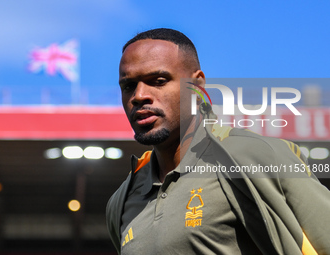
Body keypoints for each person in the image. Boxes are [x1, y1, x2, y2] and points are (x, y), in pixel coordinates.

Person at [106, 28, 330, 255]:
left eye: (159, 80)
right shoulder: (122, 201)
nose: (139, 95)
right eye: (128, 86)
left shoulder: (255, 156)